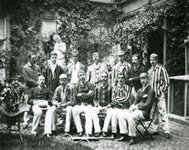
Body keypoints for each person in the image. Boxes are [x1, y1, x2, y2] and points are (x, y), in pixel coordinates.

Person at [118, 72, 155, 145]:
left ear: (148, 79)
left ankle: (132, 137)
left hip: (145, 113)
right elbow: (135, 102)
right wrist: (132, 107)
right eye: (141, 79)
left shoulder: (151, 91)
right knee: (121, 114)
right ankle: (124, 134)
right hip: (137, 111)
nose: (143, 81)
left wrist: (137, 107)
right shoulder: (140, 90)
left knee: (131, 116)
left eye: (144, 78)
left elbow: (148, 104)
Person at [148, 53, 171, 138]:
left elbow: (167, 81)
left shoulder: (161, 69)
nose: (152, 61)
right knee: (154, 112)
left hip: (159, 94)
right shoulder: (150, 71)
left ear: (157, 60)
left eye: (153, 60)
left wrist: (162, 91)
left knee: (162, 111)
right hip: (152, 95)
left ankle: (166, 130)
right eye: (150, 60)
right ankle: (155, 129)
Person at [102, 73, 132, 138]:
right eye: (119, 78)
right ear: (117, 79)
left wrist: (117, 99)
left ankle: (120, 133)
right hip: (116, 107)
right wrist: (118, 101)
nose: (120, 80)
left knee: (117, 114)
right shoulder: (115, 88)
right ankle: (110, 131)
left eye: (122, 78)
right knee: (111, 113)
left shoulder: (128, 88)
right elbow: (113, 99)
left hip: (124, 108)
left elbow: (127, 98)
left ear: (124, 79)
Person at [72, 70, 96, 137]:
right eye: (80, 75)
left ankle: (88, 132)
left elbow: (91, 95)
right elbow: (75, 95)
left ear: (85, 75)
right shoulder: (77, 85)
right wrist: (85, 94)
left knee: (88, 112)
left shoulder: (89, 84)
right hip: (80, 104)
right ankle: (80, 130)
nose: (82, 77)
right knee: (74, 110)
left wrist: (81, 94)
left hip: (88, 104)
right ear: (78, 77)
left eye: (83, 75)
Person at [22, 53, 41, 128]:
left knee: (37, 103)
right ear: (29, 58)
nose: (34, 59)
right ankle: (25, 121)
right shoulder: (25, 68)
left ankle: (38, 121)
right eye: (33, 58)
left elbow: (40, 75)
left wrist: (40, 81)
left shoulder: (37, 67)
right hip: (28, 89)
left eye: (35, 58)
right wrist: (36, 83)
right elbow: (26, 79)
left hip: (36, 89)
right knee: (27, 104)